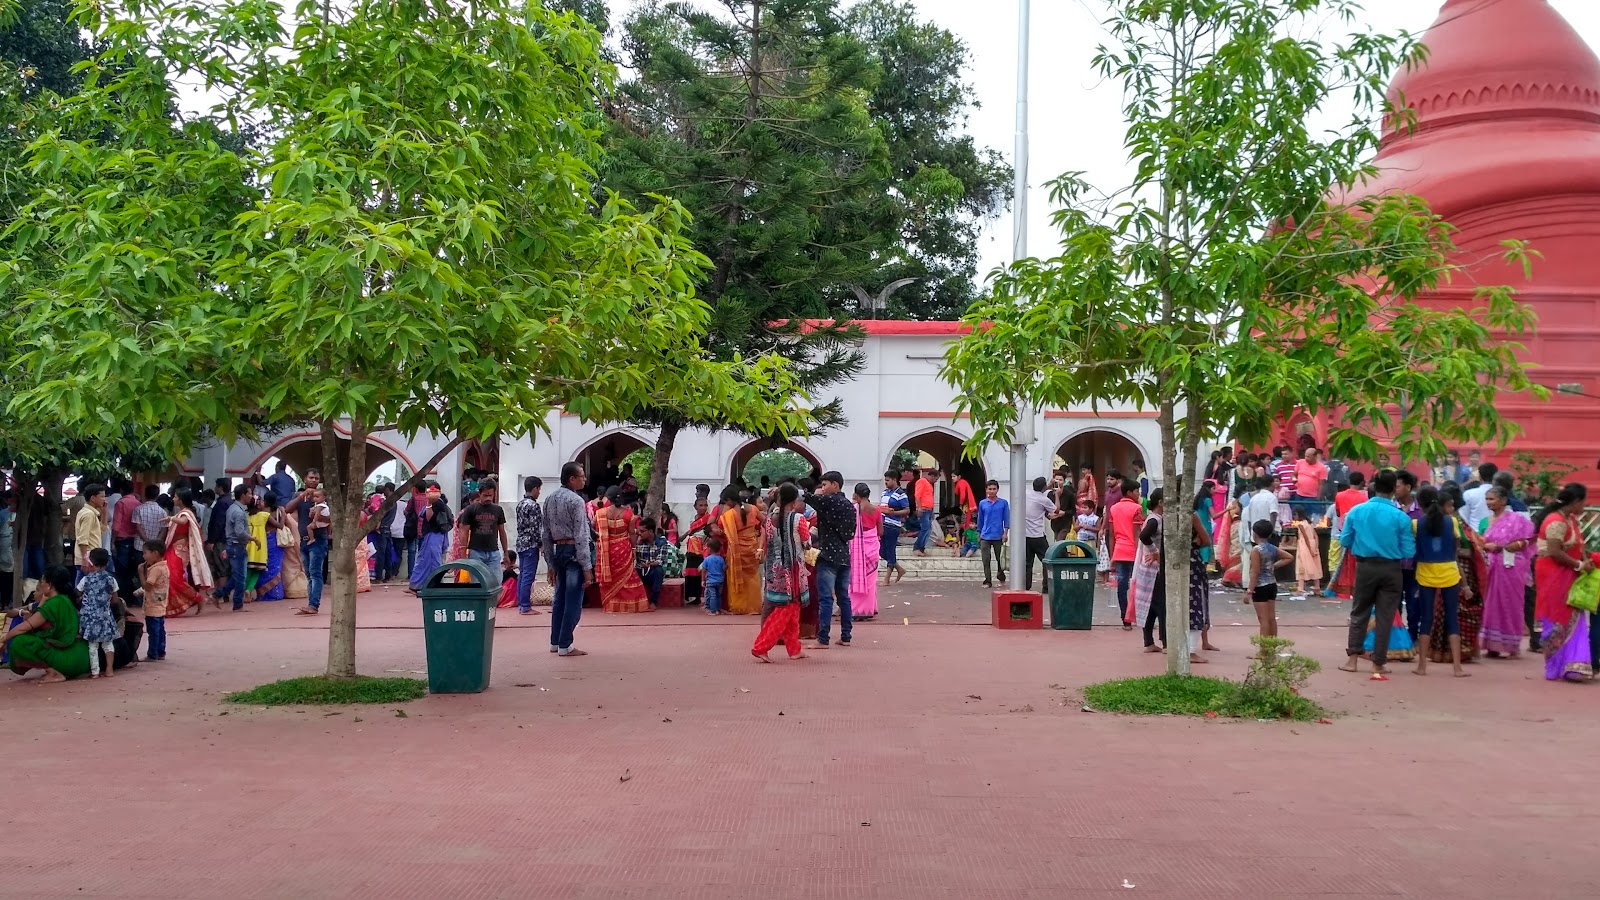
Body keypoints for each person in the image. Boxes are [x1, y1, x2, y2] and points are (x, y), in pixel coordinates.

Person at [1338, 470, 1416, 680]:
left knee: (1359, 613)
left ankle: (1352, 660)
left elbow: (1344, 541)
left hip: (1365, 567)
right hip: (1392, 569)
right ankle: (1378, 663)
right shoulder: (1401, 517)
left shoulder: (1357, 511)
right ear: (1393, 490)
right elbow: (1409, 551)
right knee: (1386, 616)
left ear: (1372, 486)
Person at [1533, 483, 1597, 682]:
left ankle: (1573, 664)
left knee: (1573, 616)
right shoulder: (1555, 521)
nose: (1585, 506)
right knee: (1557, 616)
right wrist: (1579, 565)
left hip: (1568, 575)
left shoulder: (1570, 520)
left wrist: (1586, 562)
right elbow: (1555, 552)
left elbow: (1577, 548)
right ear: (1576, 502)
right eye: (1584, 501)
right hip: (1554, 575)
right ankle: (1555, 665)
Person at [1410, 486, 1469, 677]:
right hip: (1450, 572)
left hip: (1426, 573)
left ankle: (1421, 667)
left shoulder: (1416, 524)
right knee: (1452, 618)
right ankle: (1457, 668)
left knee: (1426, 618)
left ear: (1420, 503)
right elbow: (1456, 549)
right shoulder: (1451, 521)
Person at [752, 483, 809, 663]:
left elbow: (768, 541)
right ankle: (761, 646)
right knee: (785, 610)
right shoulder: (799, 519)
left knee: (792, 609)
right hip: (793, 570)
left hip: (775, 569)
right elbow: (806, 543)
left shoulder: (770, 519)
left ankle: (794, 649)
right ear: (794, 500)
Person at [542, 463, 594, 657]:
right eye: (581, 476)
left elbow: (545, 534)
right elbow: (581, 535)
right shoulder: (576, 501)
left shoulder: (549, 499)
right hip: (574, 553)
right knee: (573, 600)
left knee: (559, 599)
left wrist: (549, 562)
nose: (584, 479)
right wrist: (587, 567)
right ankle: (565, 644)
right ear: (572, 478)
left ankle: (555, 641)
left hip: (558, 551)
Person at [2, 566, 90, 681]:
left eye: (42, 581)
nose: (40, 584)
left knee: (19, 642)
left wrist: (3, 639)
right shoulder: (64, 599)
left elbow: (23, 628)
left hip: (68, 659)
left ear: (50, 585)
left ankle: (54, 673)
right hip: (80, 656)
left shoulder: (54, 603)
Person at [1480, 484, 1536, 658]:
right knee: (1491, 605)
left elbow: (1530, 539)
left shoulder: (1516, 520)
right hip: (1492, 567)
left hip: (1511, 568)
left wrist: (1511, 545)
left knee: (1511, 604)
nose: (1488, 503)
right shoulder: (1485, 521)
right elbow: (1480, 542)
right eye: (1487, 499)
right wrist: (1485, 546)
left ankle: (1512, 645)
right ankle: (1492, 645)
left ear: (1503, 500)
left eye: (1492, 499)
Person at [162, 488, 215, 617]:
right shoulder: (181, 512)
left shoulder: (186, 514)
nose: (173, 499)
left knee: (175, 578)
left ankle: (198, 599)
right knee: (168, 576)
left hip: (180, 551)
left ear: (181, 499)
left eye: (175, 497)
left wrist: (171, 518)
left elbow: (183, 521)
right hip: (173, 549)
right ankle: (175, 605)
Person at [1126, 488, 1167, 653]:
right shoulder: (1155, 520)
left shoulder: (1155, 518)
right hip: (1153, 570)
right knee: (1161, 606)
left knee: (1150, 606)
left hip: (1147, 568)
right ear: (1161, 503)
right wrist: (1155, 550)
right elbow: (1144, 536)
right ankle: (1166, 643)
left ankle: (1148, 641)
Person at [716, 485, 765, 616]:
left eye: (726, 502)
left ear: (730, 500)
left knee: (737, 579)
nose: (726, 504)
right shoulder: (754, 509)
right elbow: (765, 522)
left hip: (736, 550)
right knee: (753, 578)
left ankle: (740, 607)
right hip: (753, 548)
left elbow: (721, 528)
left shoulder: (729, 514)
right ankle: (754, 607)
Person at [210, 485, 256, 613]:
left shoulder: (233, 508)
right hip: (237, 546)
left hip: (233, 545)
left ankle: (218, 595)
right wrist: (253, 539)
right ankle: (237, 604)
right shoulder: (239, 512)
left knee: (237, 576)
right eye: (250, 493)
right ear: (243, 495)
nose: (251, 496)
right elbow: (240, 532)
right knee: (240, 577)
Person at [1248, 519, 1293, 643]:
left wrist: (1249, 591)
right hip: (1271, 584)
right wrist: (1274, 566)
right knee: (1271, 618)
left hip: (1260, 586)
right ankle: (1272, 646)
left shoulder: (1256, 550)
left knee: (1263, 619)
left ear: (1255, 533)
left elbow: (1255, 572)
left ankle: (1263, 650)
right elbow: (1289, 557)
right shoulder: (1272, 548)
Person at [1105, 478, 1142, 627]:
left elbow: (1112, 534)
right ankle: (1136, 615)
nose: (1138, 493)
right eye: (1136, 491)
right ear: (1129, 492)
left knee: (1122, 584)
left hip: (1119, 550)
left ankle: (1125, 617)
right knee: (1137, 585)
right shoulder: (1136, 509)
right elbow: (1136, 534)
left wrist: (1112, 554)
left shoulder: (1113, 508)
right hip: (1133, 550)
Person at [77, 549, 119, 678]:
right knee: (108, 644)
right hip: (106, 616)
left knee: (92, 646)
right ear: (107, 563)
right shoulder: (111, 580)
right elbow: (115, 600)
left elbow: (78, 593)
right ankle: (109, 669)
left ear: (91, 563)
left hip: (90, 618)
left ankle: (95, 672)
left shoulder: (86, 580)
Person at [1326, 472, 1368, 599]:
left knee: (1341, 563)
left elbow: (1338, 513)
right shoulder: (1364, 498)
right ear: (1362, 483)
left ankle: (1339, 588)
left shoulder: (1340, 496)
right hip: (1359, 534)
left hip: (1343, 531)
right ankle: (1356, 589)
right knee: (1356, 563)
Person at [457, 478, 510, 572]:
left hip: (493, 552)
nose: (488, 498)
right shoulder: (470, 509)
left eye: (491, 495)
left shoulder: (498, 510)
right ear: (479, 493)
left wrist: (506, 553)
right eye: (485, 495)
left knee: (495, 582)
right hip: (476, 552)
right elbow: (463, 532)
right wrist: (463, 554)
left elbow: (502, 531)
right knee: (478, 584)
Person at [407, 483, 453, 593]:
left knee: (432, 560)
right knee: (424, 560)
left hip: (434, 536)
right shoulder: (441, 504)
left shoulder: (437, 504)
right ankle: (417, 585)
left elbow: (428, 518)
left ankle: (434, 585)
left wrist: (429, 503)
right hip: (434, 536)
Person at [846, 483, 881, 620]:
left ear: (856, 495)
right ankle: (869, 609)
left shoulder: (853, 509)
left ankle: (855, 610)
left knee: (854, 578)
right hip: (872, 546)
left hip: (856, 547)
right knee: (871, 581)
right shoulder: (876, 510)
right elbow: (880, 531)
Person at [1241, 475, 1279, 592]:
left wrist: (1252, 533)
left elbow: (1249, 518)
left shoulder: (1254, 498)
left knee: (1255, 562)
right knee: (1269, 560)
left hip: (1256, 534)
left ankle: (1254, 585)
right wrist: (1271, 531)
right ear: (1270, 484)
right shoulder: (1271, 497)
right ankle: (1267, 584)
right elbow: (1273, 514)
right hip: (1267, 533)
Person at [512, 477, 544, 616]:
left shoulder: (520, 504)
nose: (539, 492)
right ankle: (525, 606)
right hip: (531, 543)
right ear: (535, 488)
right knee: (528, 576)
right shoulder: (533, 505)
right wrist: (541, 543)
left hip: (521, 542)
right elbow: (535, 527)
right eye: (539, 489)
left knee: (523, 574)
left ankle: (521, 603)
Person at [135, 540, 169, 660]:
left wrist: (141, 573)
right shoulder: (164, 566)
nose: (144, 556)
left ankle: (153, 653)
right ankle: (161, 651)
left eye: (145, 553)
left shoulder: (155, 569)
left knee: (153, 631)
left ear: (155, 553)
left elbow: (147, 586)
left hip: (152, 605)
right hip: (161, 603)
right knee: (160, 629)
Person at [1022, 477, 1055, 592]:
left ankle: (1026, 586)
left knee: (1027, 562)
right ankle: (1046, 586)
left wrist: (1047, 488)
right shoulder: (1044, 500)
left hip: (1026, 535)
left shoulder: (1026, 493)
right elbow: (1055, 511)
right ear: (1044, 487)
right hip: (1038, 535)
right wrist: (1058, 495)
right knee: (1047, 560)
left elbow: (1038, 496)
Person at [683, 497, 715, 608]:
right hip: (691, 546)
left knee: (699, 570)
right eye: (700, 505)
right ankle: (689, 595)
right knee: (690, 570)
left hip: (702, 546)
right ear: (695, 507)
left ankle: (698, 597)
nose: (703, 507)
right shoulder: (693, 518)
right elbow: (690, 532)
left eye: (705, 505)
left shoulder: (708, 518)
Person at [111, 486, 141, 603]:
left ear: (122, 491)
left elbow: (116, 524)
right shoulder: (138, 503)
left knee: (121, 570)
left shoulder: (121, 503)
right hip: (135, 539)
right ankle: (134, 596)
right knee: (133, 570)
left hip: (122, 540)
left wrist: (113, 541)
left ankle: (124, 597)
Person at [976, 480, 1009, 588]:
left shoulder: (1003, 503)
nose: (992, 491)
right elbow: (980, 519)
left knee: (1000, 559)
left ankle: (1001, 578)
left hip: (998, 535)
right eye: (990, 489)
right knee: (986, 559)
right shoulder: (982, 503)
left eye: (994, 489)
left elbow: (1007, 519)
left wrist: (1005, 533)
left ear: (997, 490)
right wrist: (979, 533)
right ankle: (987, 581)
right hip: (985, 535)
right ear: (986, 490)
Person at [879, 471, 908, 584]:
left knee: (890, 550)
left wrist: (893, 513)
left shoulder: (901, 494)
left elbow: (907, 510)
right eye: (885, 480)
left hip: (893, 525)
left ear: (894, 480)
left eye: (888, 480)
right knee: (881, 551)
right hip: (882, 524)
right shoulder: (884, 493)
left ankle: (887, 578)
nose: (886, 483)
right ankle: (899, 569)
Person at [635, 517, 669, 610]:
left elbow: (661, 560)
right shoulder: (639, 542)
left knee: (658, 571)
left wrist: (650, 564)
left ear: (650, 531)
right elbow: (634, 559)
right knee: (633, 571)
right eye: (639, 531)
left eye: (642, 531)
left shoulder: (661, 542)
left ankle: (653, 601)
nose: (640, 533)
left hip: (653, 570)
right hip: (640, 570)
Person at [74, 483, 107, 579]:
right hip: (89, 560)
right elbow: (83, 538)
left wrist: (104, 512)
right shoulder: (89, 514)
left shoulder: (91, 513)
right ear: (93, 498)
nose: (104, 499)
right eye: (102, 496)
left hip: (91, 559)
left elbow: (102, 530)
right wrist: (85, 559)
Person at [1290, 506, 1322, 598]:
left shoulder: (1300, 525)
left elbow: (1305, 538)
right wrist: (1315, 548)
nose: (1294, 517)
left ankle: (1300, 588)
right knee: (1316, 566)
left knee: (1302, 565)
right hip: (1313, 544)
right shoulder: (1309, 523)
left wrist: (1310, 550)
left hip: (1304, 546)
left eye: (1295, 514)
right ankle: (1317, 587)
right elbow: (1316, 536)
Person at [1460, 462, 1496, 533]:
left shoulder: (1469, 494)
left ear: (1479, 477)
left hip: (1475, 533)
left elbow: (1464, 515)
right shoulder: (1501, 494)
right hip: (1496, 533)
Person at [912, 468, 938, 556]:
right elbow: (917, 495)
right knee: (925, 528)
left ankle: (922, 548)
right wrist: (919, 507)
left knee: (928, 530)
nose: (936, 481)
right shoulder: (922, 481)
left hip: (929, 510)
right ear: (932, 476)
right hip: (923, 509)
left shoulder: (929, 485)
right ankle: (917, 547)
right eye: (936, 479)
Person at [702, 536, 727, 615]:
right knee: (718, 596)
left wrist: (703, 580)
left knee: (712, 595)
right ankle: (718, 609)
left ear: (709, 549)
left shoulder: (707, 559)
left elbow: (703, 570)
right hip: (720, 580)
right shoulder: (721, 559)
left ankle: (712, 611)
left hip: (711, 581)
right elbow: (723, 569)